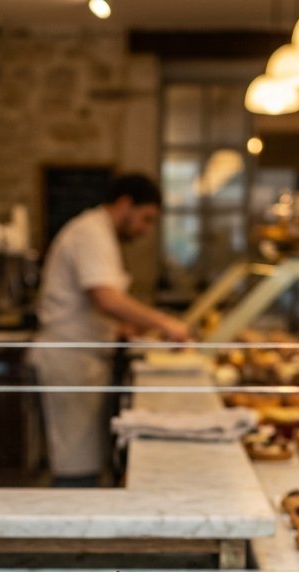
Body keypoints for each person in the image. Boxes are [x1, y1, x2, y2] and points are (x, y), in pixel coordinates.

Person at [32, 173, 192, 487]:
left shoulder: (99, 233)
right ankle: (71, 532)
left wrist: (127, 329)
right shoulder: (91, 232)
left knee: (85, 459)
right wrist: (165, 324)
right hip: (70, 361)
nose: (146, 230)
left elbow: (99, 305)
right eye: (145, 219)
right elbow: (106, 298)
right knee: (75, 466)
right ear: (125, 203)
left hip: (83, 359)